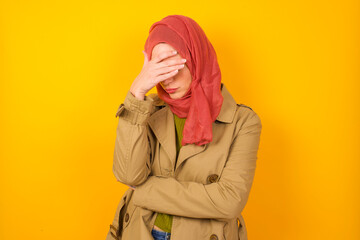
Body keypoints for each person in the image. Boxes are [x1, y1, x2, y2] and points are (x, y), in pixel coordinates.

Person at [106, 15, 262, 240]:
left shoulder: (243, 122)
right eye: (157, 66)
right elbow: (128, 174)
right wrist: (136, 94)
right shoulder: (148, 111)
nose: (165, 78)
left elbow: (229, 201)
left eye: (171, 63)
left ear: (196, 57)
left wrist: (145, 190)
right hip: (140, 232)